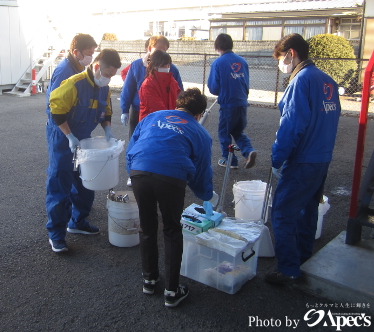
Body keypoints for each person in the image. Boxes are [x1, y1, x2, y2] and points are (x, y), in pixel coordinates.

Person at [126, 88, 214, 308]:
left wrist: (133, 171)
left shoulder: (153, 117)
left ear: (177, 104)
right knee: (172, 230)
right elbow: (201, 171)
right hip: (171, 178)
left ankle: (149, 280)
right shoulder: (200, 132)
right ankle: (172, 292)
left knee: (147, 227)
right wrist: (206, 196)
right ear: (199, 114)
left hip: (140, 172)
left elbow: (132, 146)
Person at [265, 33, 340, 284]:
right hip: (322, 158)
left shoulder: (301, 81)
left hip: (302, 159)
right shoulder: (326, 80)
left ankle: (288, 270)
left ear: (291, 53)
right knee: (308, 210)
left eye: (281, 58)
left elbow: (291, 125)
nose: (281, 64)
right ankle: (305, 258)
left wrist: (277, 158)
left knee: (283, 214)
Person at [46, 49, 122, 253]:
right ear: (97, 67)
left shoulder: (103, 88)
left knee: (85, 184)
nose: (108, 79)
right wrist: (69, 136)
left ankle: (77, 222)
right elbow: (56, 110)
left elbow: (105, 111)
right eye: (106, 74)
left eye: (112, 76)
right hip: (63, 140)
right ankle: (56, 235)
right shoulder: (74, 83)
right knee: (60, 187)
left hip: (84, 141)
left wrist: (107, 130)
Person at [120, 35, 183, 186]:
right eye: (159, 49)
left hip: (167, 114)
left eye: (165, 50)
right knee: (137, 143)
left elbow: (179, 91)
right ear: (149, 48)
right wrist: (124, 109)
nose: (162, 53)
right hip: (141, 112)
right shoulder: (136, 66)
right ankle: (134, 173)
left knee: (161, 145)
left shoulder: (171, 69)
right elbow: (127, 89)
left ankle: (160, 172)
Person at [207, 33, 256, 169]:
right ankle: (248, 152)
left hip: (228, 104)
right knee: (237, 131)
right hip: (242, 102)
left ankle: (229, 160)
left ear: (217, 46)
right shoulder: (242, 61)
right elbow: (246, 83)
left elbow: (213, 88)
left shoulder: (218, 63)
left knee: (224, 132)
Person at [138, 50, 181, 121]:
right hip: (152, 123)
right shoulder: (148, 84)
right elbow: (157, 108)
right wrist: (174, 120)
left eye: (168, 65)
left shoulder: (172, 81)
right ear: (154, 66)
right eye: (163, 66)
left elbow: (179, 100)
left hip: (170, 120)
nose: (167, 68)